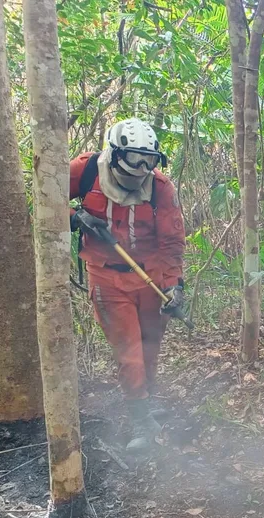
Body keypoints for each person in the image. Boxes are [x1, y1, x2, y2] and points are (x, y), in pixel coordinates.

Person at [69, 118, 186, 453]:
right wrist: (75, 217)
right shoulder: (85, 170)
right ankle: (139, 418)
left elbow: (172, 242)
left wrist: (175, 285)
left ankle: (147, 402)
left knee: (150, 345)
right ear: (116, 154)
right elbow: (45, 196)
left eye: (146, 166)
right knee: (130, 350)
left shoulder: (161, 188)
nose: (140, 173)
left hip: (151, 275)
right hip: (106, 275)